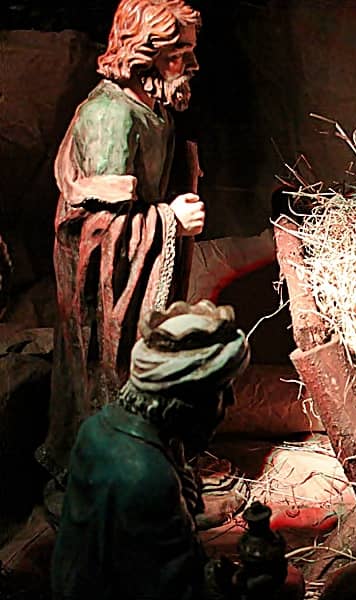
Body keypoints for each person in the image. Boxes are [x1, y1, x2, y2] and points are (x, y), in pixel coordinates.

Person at [37, 0, 205, 480]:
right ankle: (111, 483)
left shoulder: (154, 109)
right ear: (143, 56)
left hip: (137, 278)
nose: (192, 65)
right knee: (112, 382)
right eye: (179, 54)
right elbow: (97, 230)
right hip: (105, 296)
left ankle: (153, 471)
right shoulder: (111, 117)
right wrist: (168, 220)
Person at [51, 300, 251, 599]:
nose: (231, 402)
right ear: (184, 400)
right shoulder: (146, 477)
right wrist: (232, 582)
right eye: (221, 391)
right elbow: (173, 590)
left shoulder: (97, 427)